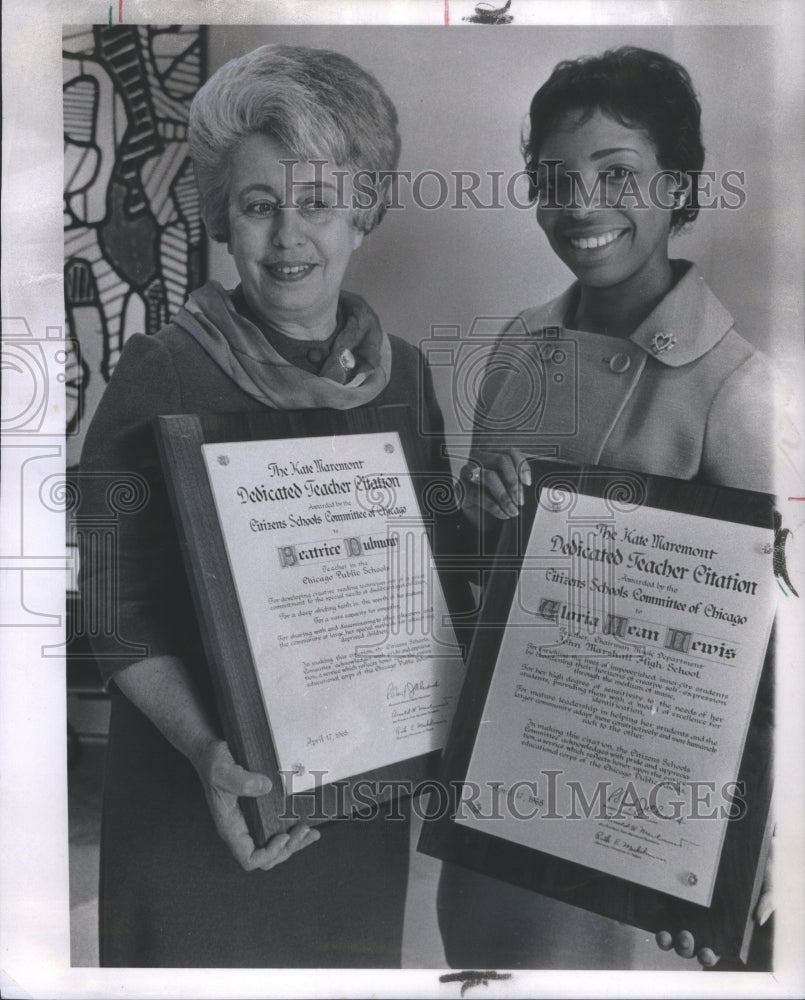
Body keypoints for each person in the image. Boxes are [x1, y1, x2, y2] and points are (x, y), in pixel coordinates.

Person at [79, 44, 459, 968]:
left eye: (317, 202)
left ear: (363, 211)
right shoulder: (163, 370)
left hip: (356, 801)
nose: (289, 236)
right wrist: (207, 750)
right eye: (258, 206)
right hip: (201, 791)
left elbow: (431, 576)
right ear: (222, 219)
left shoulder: (403, 376)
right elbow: (115, 610)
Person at [437, 45, 776, 970]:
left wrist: (752, 840)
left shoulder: (739, 388)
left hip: (642, 816)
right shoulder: (517, 344)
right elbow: (482, 583)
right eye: (553, 178)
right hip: (507, 775)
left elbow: (774, 658)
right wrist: (478, 512)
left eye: (616, 173)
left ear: (679, 186)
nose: (579, 204)